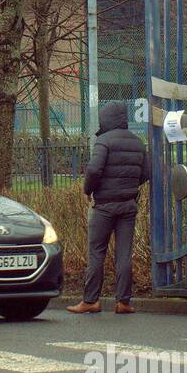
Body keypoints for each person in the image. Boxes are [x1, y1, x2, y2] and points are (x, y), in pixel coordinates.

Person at [67, 101, 150, 315]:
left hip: (104, 206)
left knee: (96, 252)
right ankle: (123, 302)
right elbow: (146, 171)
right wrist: (129, 185)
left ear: (106, 119)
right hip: (128, 205)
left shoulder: (103, 141)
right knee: (124, 254)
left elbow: (94, 170)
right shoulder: (137, 142)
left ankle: (91, 300)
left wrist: (88, 190)